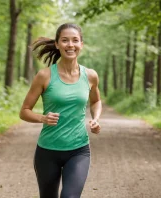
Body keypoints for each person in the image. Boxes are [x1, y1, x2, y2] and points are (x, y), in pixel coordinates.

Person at [19, 23, 102, 198]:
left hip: (79, 150)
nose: (70, 45)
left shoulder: (91, 76)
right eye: (65, 40)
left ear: (81, 44)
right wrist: (42, 118)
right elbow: (24, 111)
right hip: (47, 151)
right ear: (57, 44)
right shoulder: (45, 76)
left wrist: (96, 118)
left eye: (75, 40)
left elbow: (96, 101)